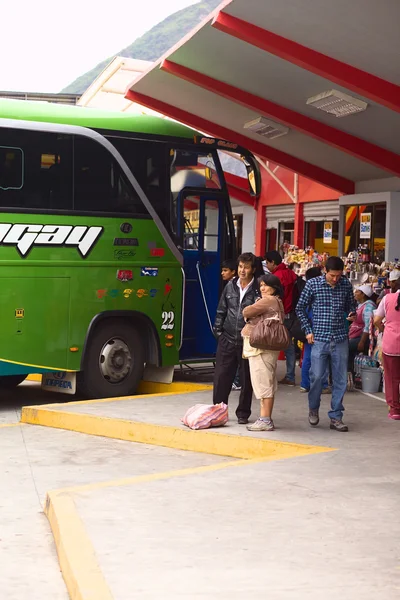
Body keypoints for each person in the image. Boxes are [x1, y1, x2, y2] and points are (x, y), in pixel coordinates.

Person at [296, 256, 357, 432]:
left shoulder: (345, 285)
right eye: (332, 275)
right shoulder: (313, 284)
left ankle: (336, 416)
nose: (335, 279)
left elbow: (350, 306)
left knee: (339, 380)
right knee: (316, 377)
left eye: (338, 275)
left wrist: (351, 314)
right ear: (325, 271)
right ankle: (313, 408)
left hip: (340, 338)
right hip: (319, 339)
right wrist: (308, 329)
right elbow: (300, 308)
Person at [213, 252, 259, 424]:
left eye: (246, 267)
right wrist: (218, 333)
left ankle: (243, 413)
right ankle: (218, 410)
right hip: (227, 338)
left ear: (253, 269)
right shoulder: (230, 286)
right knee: (221, 377)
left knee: (246, 379)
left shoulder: (257, 289)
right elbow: (221, 310)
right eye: (240, 266)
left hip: (247, 341)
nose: (242, 270)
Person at [241, 275, 284, 432]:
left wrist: (250, 312)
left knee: (263, 382)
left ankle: (265, 419)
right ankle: (265, 418)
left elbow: (247, 310)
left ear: (274, 287)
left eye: (266, 285)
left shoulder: (268, 300)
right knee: (267, 382)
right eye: (261, 285)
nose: (263, 288)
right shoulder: (277, 301)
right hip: (268, 348)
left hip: (261, 348)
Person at [265, 250, 298, 386]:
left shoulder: (276, 277)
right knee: (289, 346)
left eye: (267, 263)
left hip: (279, 315)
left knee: (271, 346)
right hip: (290, 314)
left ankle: (270, 376)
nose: (267, 266)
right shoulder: (291, 273)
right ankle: (290, 375)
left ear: (273, 262)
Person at [300, 267, 330, 394]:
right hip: (318, 329)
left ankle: (305, 384)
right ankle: (322, 385)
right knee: (321, 357)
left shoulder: (306, 290)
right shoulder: (317, 289)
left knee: (308, 357)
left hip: (308, 329)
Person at [374, 276, 400, 420]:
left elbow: (377, 320)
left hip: (391, 344)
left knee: (391, 378)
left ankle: (395, 410)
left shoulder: (387, 299)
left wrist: (385, 329)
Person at [220, 259, 242, 391]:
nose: (222, 273)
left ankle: (238, 380)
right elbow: (221, 310)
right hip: (228, 331)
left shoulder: (235, 286)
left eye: (225, 271)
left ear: (233, 272)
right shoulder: (229, 286)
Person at [347, 284, 376, 376]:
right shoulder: (360, 305)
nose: (355, 293)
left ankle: (349, 374)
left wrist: (362, 342)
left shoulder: (369, 306)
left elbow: (368, 326)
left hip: (362, 337)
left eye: (357, 292)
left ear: (363, 294)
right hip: (355, 334)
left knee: (345, 348)